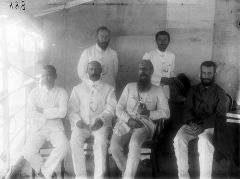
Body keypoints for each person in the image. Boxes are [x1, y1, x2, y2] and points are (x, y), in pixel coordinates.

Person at [6, 65, 70, 179]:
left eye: (49, 75)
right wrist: (50, 114)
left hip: (55, 128)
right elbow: (31, 112)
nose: (46, 78)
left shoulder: (62, 92)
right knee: (27, 151)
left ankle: (45, 173)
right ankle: (42, 169)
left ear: (55, 76)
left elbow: (63, 112)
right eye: (43, 75)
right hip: (38, 127)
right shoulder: (35, 92)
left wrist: (43, 111)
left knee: (64, 146)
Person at [110, 60, 170, 179]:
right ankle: (128, 173)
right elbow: (118, 108)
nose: (143, 72)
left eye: (146, 69)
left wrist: (149, 113)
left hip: (144, 125)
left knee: (134, 143)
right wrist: (128, 120)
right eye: (140, 69)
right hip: (125, 123)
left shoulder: (158, 90)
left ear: (152, 71)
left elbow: (166, 113)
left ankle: (128, 177)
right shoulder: (129, 87)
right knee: (114, 147)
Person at [173, 61, 227, 179]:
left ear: (214, 74)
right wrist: (191, 123)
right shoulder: (193, 90)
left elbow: (220, 116)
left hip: (210, 127)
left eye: (209, 73)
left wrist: (203, 126)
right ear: (200, 74)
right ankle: (183, 176)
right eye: (204, 73)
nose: (206, 76)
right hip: (193, 124)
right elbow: (187, 108)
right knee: (178, 139)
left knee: (204, 141)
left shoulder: (220, 92)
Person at [69, 61, 117, 179]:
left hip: (101, 125)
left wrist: (101, 119)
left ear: (101, 71)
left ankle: (99, 176)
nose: (94, 71)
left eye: (96, 69)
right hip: (83, 125)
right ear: (87, 71)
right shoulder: (77, 89)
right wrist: (77, 121)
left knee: (100, 142)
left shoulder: (109, 89)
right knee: (74, 139)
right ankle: (80, 176)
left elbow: (111, 107)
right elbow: (71, 109)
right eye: (91, 69)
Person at [142, 30, 175, 99]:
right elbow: (143, 75)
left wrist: (174, 79)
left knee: (164, 109)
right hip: (151, 90)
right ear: (156, 41)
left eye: (165, 39)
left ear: (169, 41)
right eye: (160, 39)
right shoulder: (148, 55)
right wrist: (160, 79)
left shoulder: (172, 56)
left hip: (165, 92)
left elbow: (171, 72)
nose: (163, 42)